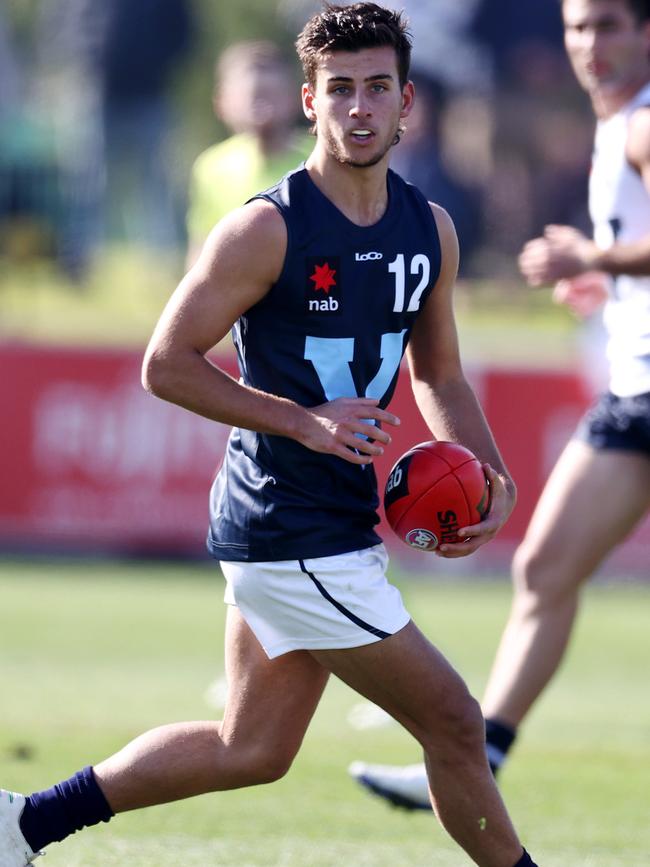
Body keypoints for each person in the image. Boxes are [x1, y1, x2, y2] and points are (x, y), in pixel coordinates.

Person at [0, 6, 539, 866]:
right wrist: (303, 421)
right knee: (454, 718)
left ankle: (23, 823)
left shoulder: (428, 228)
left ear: (408, 104)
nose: (358, 107)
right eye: (339, 90)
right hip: (288, 525)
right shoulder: (267, 226)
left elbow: (438, 374)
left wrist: (491, 476)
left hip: (332, 522)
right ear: (309, 102)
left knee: (250, 749)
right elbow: (165, 363)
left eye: (376, 88)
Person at [349, 0, 650, 813]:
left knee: (543, 570)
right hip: (636, 397)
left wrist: (593, 253)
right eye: (578, 27)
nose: (590, 44)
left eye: (611, 25)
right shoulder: (616, 121)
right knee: (544, 567)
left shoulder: (643, 124)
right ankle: (475, 756)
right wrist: (612, 278)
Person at [186, 39, 312, 268]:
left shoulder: (323, 159)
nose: (262, 107)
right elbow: (201, 250)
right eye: (252, 96)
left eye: (271, 94)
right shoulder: (212, 167)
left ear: (296, 99)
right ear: (222, 103)